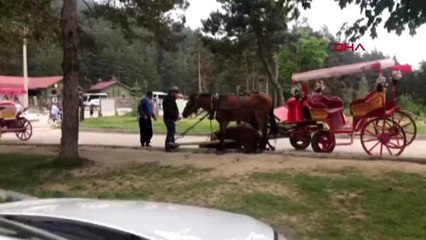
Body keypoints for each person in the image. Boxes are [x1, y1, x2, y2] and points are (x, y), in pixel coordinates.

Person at [162, 86, 180, 152]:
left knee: (172, 132)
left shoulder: (169, 98)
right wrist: (176, 116)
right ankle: (168, 147)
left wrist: (176, 116)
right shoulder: (170, 99)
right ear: (172, 92)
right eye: (176, 93)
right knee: (170, 133)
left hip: (169, 118)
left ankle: (172, 145)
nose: (176, 94)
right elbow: (170, 111)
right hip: (169, 118)